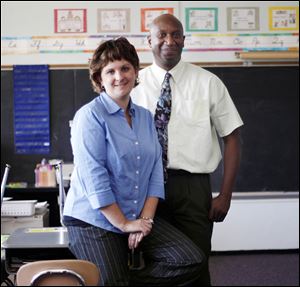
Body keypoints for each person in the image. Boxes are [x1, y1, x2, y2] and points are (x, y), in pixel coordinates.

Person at [63, 37, 205, 286]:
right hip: (93, 221)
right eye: (110, 71)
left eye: (125, 68)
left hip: (135, 214)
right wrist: (125, 224)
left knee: (190, 260)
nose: (119, 76)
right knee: (113, 281)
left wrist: (144, 222)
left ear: (135, 71)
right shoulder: (89, 116)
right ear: (99, 79)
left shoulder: (145, 117)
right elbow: (95, 180)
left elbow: (154, 172)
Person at [131, 14, 244, 285]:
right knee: (154, 260)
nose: (169, 41)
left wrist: (225, 195)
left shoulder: (208, 83)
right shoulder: (132, 84)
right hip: (144, 187)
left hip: (192, 189)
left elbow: (233, 138)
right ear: (149, 41)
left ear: (184, 40)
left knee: (197, 261)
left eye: (176, 35)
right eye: (162, 35)